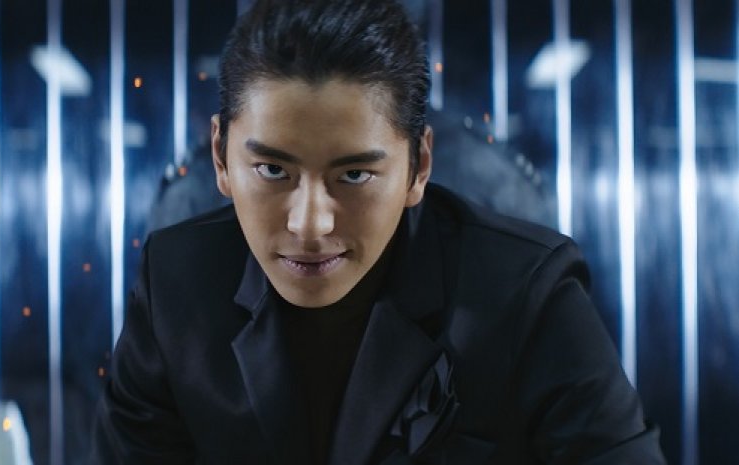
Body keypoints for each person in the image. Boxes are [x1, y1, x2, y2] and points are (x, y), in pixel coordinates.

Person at [92, 0, 667, 463]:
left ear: (419, 167)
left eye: (354, 175)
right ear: (220, 157)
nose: (309, 224)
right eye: (271, 170)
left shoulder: (527, 294)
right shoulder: (175, 281)